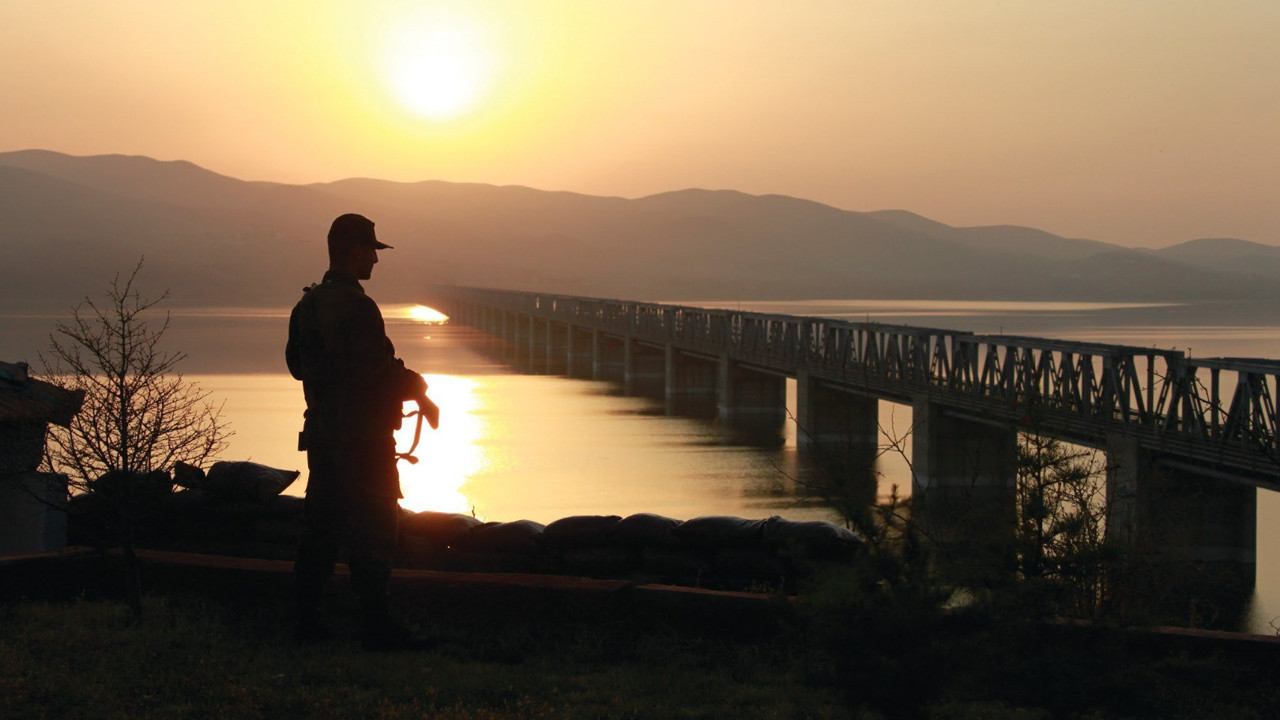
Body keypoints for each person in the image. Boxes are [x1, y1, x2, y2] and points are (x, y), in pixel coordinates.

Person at [285, 213, 435, 650]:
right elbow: (379, 372)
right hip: (365, 441)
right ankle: (377, 627)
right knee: (374, 531)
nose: (376, 259)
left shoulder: (307, 305)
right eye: (372, 250)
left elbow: (297, 367)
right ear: (355, 252)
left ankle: (306, 624)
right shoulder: (359, 307)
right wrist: (419, 387)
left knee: (321, 530)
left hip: (325, 438)